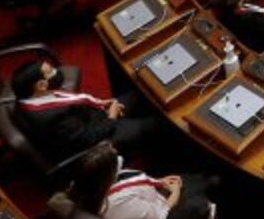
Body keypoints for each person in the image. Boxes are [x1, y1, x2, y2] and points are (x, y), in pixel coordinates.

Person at [10, 58, 159, 161]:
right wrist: (111, 117)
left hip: (87, 120)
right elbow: (89, 139)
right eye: (51, 72)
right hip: (95, 142)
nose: (57, 71)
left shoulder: (26, 98)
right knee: (156, 122)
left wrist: (102, 104)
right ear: (41, 86)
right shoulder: (52, 118)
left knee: (140, 94)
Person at [68, 144, 191, 219]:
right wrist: (176, 191)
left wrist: (158, 182)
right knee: (196, 186)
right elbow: (161, 217)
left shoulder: (85, 184)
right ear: (108, 175)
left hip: (150, 198)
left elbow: (130, 181)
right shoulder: (118, 204)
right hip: (162, 216)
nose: (119, 158)